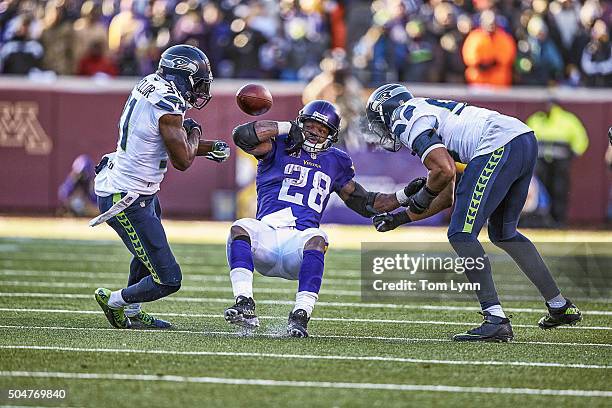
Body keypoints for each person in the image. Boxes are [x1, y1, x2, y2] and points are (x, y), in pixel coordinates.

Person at [365, 83, 582, 342]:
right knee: (504, 233)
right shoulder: (425, 112)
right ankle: (559, 305)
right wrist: (400, 218)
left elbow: (443, 171)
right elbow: (447, 195)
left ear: (385, 110)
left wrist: (419, 198)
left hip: (498, 144)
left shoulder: (405, 118)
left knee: (461, 234)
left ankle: (495, 319)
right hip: (522, 139)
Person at [225, 100, 418, 337]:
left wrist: (404, 195)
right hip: (267, 235)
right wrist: (286, 127)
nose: (315, 132)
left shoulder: (336, 161)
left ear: (331, 135)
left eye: (322, 129)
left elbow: (365, 203)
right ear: (300, 123)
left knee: (318, 237)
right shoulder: (280, 144)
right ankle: (244, 304)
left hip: (297, 244)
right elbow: (243, 135)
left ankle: (300, 315)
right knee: (240, 227)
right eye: (311, 125)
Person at [92, 44, 230, 330]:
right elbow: (182, 160)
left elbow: (164, 142)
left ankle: (132, 310)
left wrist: (203, 145)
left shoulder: (152, 85)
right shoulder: (168, 103)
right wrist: (196, 132)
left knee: (145, 256)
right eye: (198, 82)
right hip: (127, 196)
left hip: (139, 189)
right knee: (168, 278)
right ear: (183, 76)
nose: (201, 90)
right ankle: (115, 301)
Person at [526, 100, 589, 225]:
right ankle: (543, 219)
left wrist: (571, 155)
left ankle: (558, 219)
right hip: (541, 161)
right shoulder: (538, 119)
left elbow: (581, 139)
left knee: (559, 189)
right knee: (542, 189)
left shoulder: (568, 120)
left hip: (560, 162)